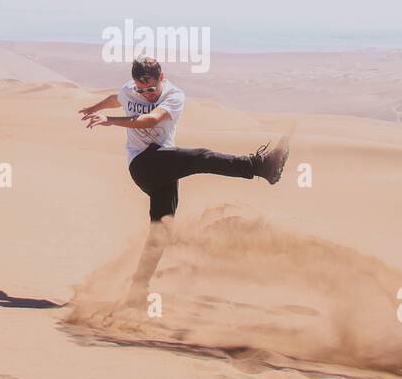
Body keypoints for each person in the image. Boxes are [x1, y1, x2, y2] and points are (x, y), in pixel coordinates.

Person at [79, 56, 289, 306]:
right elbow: (119, 97)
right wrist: (97, 108)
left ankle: (137, 290)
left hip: (164, 167)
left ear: (162, 78)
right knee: (201, 157)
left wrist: (110, 120)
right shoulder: (130, 90)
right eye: (141, 90)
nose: (146, 94)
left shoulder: (174, 96)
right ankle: (260, 166)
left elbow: (153, 119)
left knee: (161, 231)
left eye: (151, 89)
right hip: (143, 165)